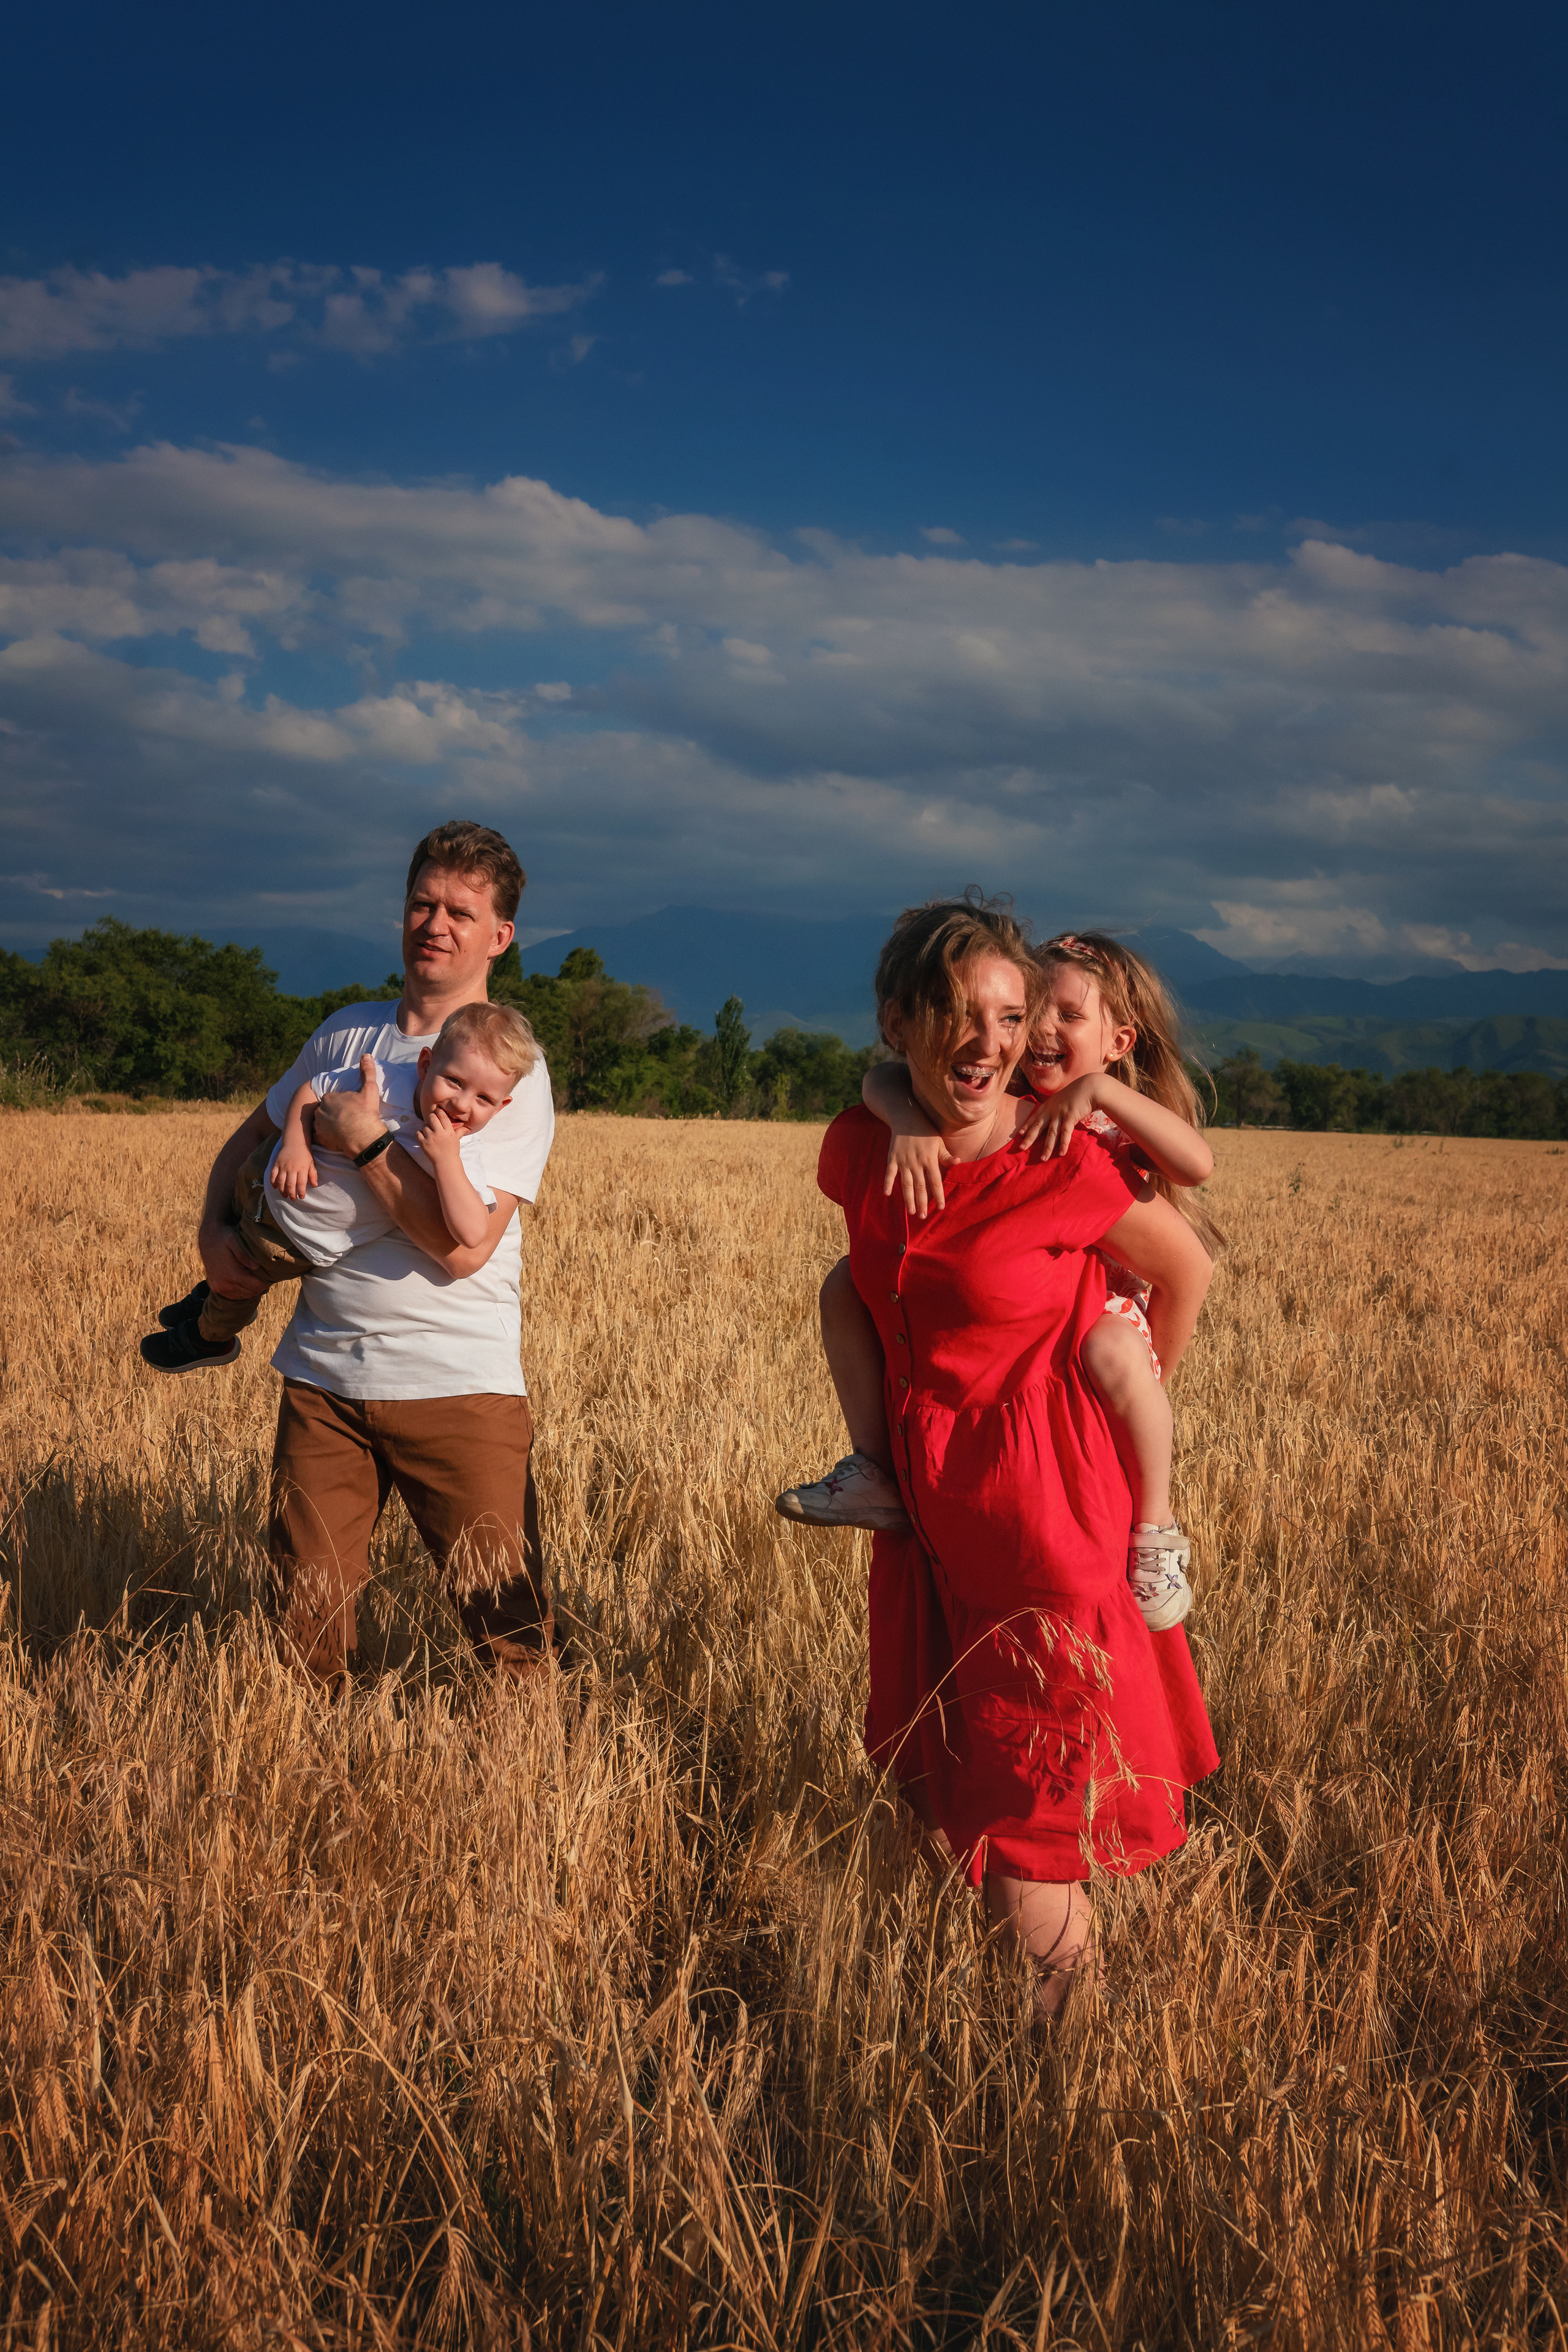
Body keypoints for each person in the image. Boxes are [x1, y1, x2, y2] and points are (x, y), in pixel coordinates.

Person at [795, 895, 1218, 2014]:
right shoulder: (866, 1153)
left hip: (1047, 1533)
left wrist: (1130, 1386)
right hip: (930, 1528)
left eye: (1009, 1014)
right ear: (897, 1020)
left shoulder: (1065, 1164)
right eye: (954, 1011)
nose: (987, 1039)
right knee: (943, 1802)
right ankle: (994, 2065)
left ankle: (1069, 2114)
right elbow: (854, 1286)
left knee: (1031, 1828)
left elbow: (1185, 1274)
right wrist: (897, 1114)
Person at [160, 820, 557, 1687]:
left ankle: (526, 1805)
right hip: (325, 1381)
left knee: (511, 1646)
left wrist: (367, 1141)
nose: (435, 924)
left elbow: (463, 1254)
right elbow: (254, 1134)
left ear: (500, 937)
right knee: (302, 1636)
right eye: (422, 902)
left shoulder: (505, 1069)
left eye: (461, 910)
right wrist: (213, 1235)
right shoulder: (345, 1035)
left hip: (456, 1387)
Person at [778, 930, 1219, 1630]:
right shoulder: (995, 1094)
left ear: (1118, 1042)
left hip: (1104, 1314)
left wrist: (1151, 1374)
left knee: (1113, 1355)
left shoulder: (1090, 1128)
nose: (1037, 1031)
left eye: (1064, 1017)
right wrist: (902, 1120)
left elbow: (1194, 1184)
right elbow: (886, 1075)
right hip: (984, 1406)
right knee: (844, 1283)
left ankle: (1156, 1531)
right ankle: (874, 1469)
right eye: (1032, 1011)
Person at [140, 1000, 537, 1372]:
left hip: (291, 1239)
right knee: (230, 1236)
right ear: (425, 1064)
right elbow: (312, 1090)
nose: (462, 1104)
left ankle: (207, 1337)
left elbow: (470, 1235)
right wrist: (295, 1143)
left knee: (241, 1280)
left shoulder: (464, 1153)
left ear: (502, 1107)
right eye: (454, 1081)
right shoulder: (378, 1078)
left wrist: (447, 1161)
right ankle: (202, 1295)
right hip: (264, 1174)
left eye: (483, 1099)